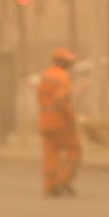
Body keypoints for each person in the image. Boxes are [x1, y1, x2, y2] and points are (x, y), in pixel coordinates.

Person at [37, 46, 81, 197]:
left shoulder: (45, 75)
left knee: (51, 155)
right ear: (64, 63)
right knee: (74, 150)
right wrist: (71, 119)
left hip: (45, 122)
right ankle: (63, 181)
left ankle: (50, 186)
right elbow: (61, 100)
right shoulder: (63, 77)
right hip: (61, 123)